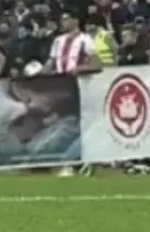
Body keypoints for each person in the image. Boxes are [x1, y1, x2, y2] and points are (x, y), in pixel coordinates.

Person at [45, 13, 98, 177]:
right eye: (62, 19)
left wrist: (81, 69)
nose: (63, 22)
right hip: (61, 89)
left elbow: (97, 64)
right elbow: (51, 63)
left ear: (76, 21)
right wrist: (38, 75)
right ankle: (73, 161)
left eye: (67, 19)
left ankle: (75, 162)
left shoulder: (85, 40)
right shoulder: (58, 41)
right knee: (64, 126)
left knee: (78, 126)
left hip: (79, 87)